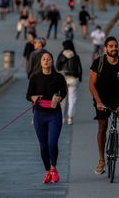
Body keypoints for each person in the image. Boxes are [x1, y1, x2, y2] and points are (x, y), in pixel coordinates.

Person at [89, 36, 119, 174]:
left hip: (118, 98)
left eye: (116, 46)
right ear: (105, 48)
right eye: (111, 46)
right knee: (102, 127)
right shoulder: (99, 62)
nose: (114, 48)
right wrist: (98, 101)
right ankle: (101, 160)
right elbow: (91, 84)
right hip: (102, 98)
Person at [26, 52, 67, 183]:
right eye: (44, 59)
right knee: (43, 146)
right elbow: (28, 95)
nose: (46, 61)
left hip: (54, 114)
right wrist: (33, 98)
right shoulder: (35, 77)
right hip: (39, 115)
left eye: (48, 59)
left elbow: (64, 92)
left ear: (52, 61)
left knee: (52, 143)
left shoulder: (58, 77)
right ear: (41, 62)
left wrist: (59, 98)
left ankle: (53, 168)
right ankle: (47, 171)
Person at [56, 40, 82, 125]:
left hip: (62, 79)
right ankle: (70, 118)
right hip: (73, 79)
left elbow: (57, 67)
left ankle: (61, 118)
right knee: (72, 99)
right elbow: (79, 69)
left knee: (62, 100)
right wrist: (79, 78)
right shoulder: (75, 55)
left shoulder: (61, 54)